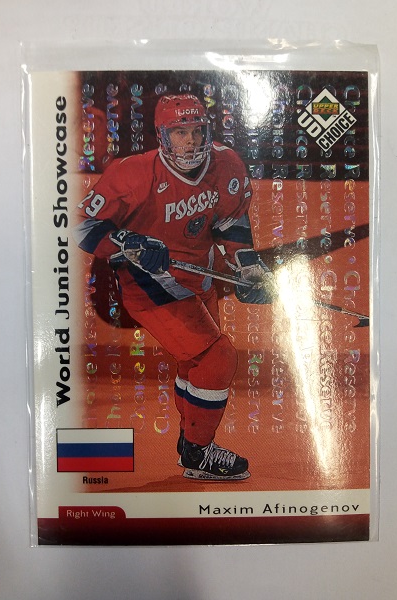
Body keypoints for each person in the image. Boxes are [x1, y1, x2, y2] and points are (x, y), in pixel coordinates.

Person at [74, 94, 273, 481]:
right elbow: (83, 224)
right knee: (217, 358)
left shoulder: (227, 163)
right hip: (150, 280)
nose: (191, 141)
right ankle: (199, 453)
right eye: (180, 132)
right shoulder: (132, 173)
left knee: (195, 364)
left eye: (197, 130)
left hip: (201, 274)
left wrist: (248, 265)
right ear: (162, 135)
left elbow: (230, 221)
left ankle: (188, 443)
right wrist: (126, 242)